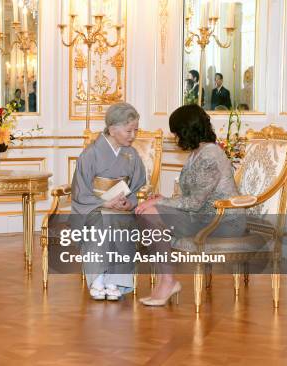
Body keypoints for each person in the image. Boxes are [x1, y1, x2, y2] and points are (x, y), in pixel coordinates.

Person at [135, 104, 246, 307]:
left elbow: (194, 203)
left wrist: (160, 202)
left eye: (177, 132)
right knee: (148, 212)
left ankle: (167, 281)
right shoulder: (197, 152)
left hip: (222, 221)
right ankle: (165, 280)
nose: (176, 137)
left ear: (187, 130)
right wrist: (163, 199)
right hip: (202, 216)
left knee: (150, 211)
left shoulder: (210, 154)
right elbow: (192, 197)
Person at [71, 102, 146, 301]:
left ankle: (115, 281)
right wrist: (104, 203)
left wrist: (129, 203)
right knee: (100, 222)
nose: (133, 135)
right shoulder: (90, 154)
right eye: (129, 130)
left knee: (123, 223)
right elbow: (80, 191)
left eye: (136, 130)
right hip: (94, 207)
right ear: (112, 129)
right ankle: (97, 279)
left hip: (120, 209)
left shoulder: (132, 155)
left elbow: (136, 185)